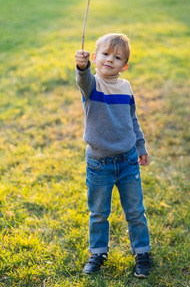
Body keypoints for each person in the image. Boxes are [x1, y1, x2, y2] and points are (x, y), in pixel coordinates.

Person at [75, 33, 152, 277]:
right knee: (98, 212)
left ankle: (142, 252)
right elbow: (83, 78)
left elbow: (132, 118)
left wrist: (140, 146)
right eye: (105, 55)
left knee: (135, 211)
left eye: (117, 57)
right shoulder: (92, 86)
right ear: (96, 57)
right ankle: (98, 252)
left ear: (124, 65)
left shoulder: (126, 87)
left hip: (128, 160)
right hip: (99, 163)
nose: (110, 60)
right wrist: (81, 66)